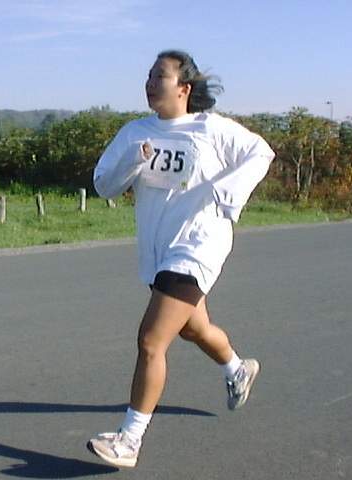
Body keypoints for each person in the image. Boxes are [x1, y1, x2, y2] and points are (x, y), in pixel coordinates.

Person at [88, 50, 275, 468]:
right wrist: (135, 160)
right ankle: (237, 368)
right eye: (149, 75)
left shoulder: (211, 128)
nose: (151, 83)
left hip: (198, 244)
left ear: (184, 88)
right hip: (158, 249)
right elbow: (104, 185)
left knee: (151, 340)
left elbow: (261, 153)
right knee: (194, 328)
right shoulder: (135, 132)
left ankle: (129, 440)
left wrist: (226, 193)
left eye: (161, 76)